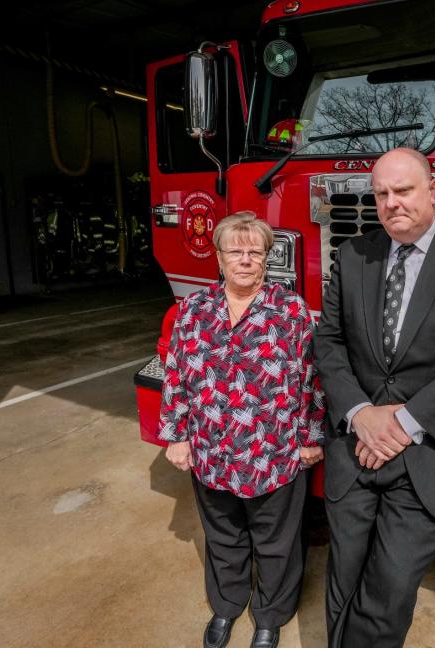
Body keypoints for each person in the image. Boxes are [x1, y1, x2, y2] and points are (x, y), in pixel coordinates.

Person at [314, 148, 435, 647]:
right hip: (356, 445)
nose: (391, 203)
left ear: (432, 190)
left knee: (389, 589)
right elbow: (329, 341)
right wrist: (360, 413)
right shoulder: (353, 254)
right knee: (343, 578)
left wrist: (403, 423)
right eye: (381, 193)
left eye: (403, 190)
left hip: (432, 451)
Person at [159, 211, 325, 648]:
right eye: (236, 251)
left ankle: (270, 616)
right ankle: (227, 608)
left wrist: (311, 438)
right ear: (219, 257)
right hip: (212, 452)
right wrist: (176, 436)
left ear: (268, 258)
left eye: (256, 251)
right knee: (224, 537)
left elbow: (314, 377)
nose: (246, 259)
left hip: (275, 453)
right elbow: (175, 374)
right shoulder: (193, 310)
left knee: (277, 544)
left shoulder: (291, 311)